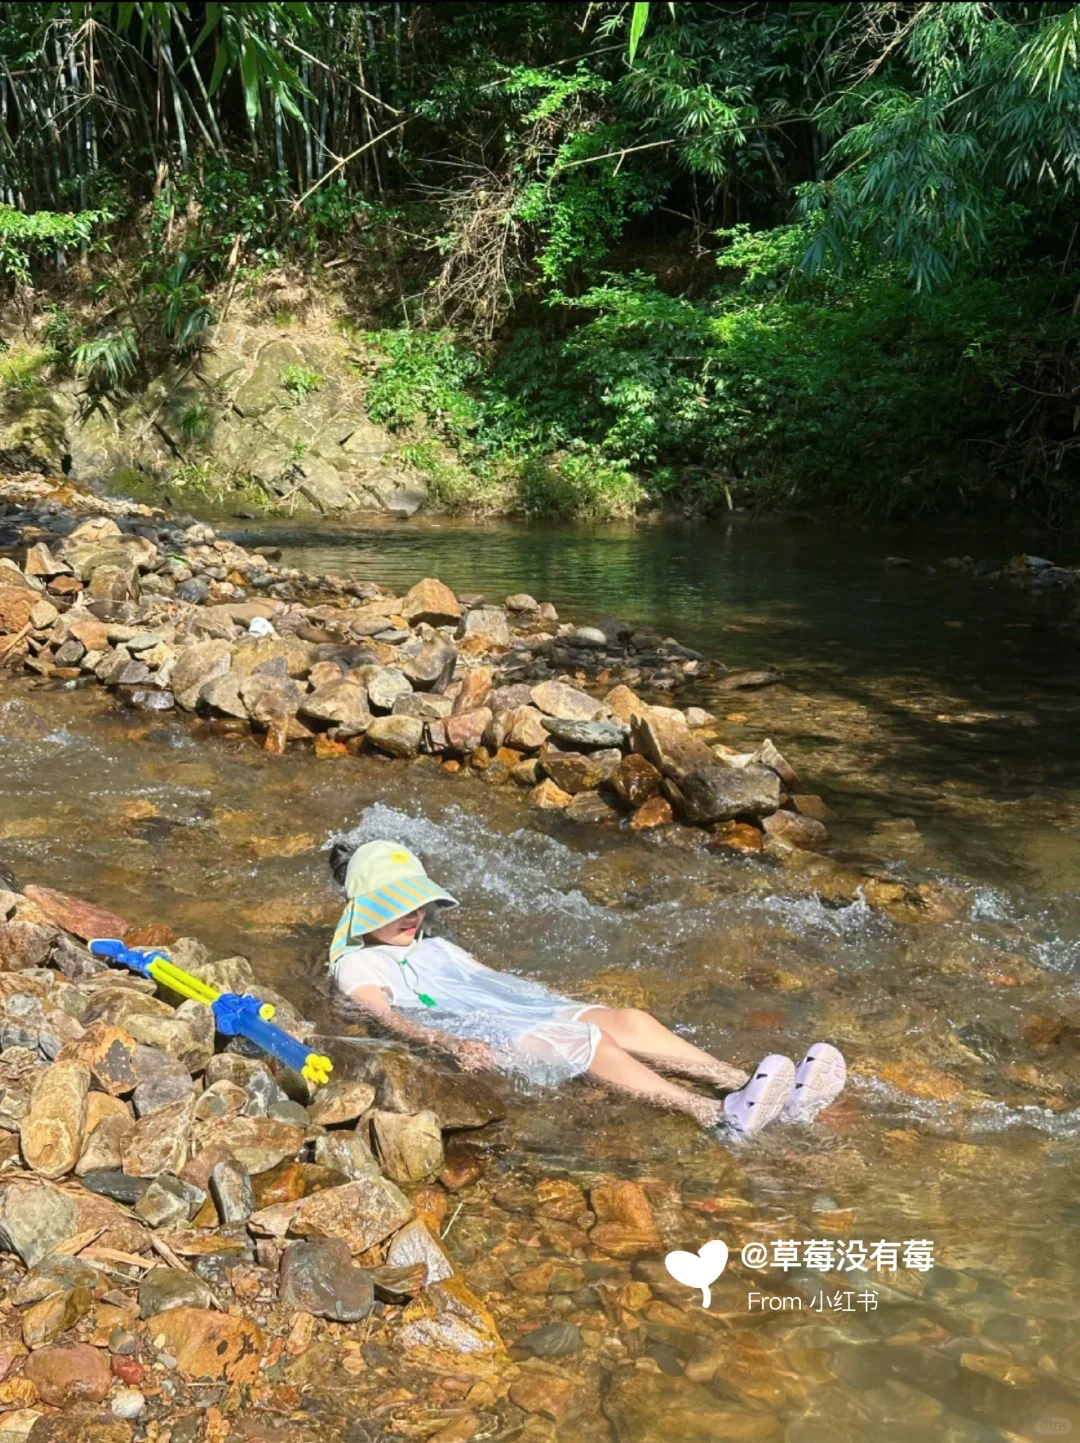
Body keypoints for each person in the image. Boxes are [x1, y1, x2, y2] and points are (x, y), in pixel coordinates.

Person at [326, 839, 846, 1137]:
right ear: (362, 911)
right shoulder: (358, 965)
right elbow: (387, 1018)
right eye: (396, 907)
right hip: (477, 1029)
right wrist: (449, 1044)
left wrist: (558, 999)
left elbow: (493, 978)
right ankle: (717, 1117)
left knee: (628, 1022)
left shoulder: (436, 945)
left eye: (417, 903)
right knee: (588, 1044)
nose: (413, 915)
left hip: (519, 1008)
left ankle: (749, 1084)